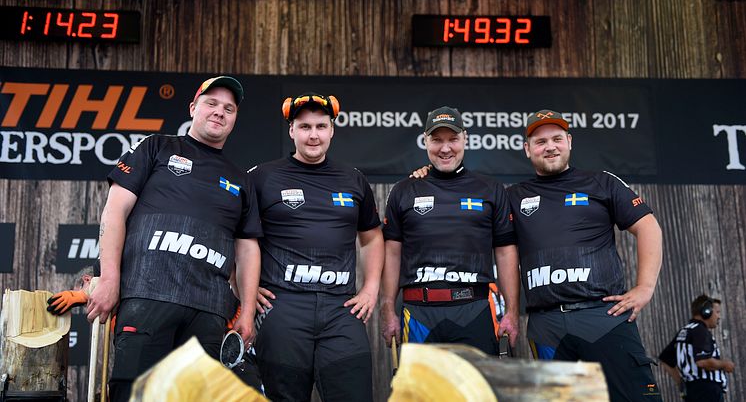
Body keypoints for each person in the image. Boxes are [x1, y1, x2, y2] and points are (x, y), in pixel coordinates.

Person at [85, 76, 262, 402]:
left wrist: (248, 310)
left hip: (208, 312)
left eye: (229, 108)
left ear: (235, 118)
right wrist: (108, 277)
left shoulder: (241, 180)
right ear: (193, 107)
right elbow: (114, 211)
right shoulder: (156, 146)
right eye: (211, 103)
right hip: (146, 297)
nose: (219, 112)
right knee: (134, 394)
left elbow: (248, 249)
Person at [506, 109, 664, 401]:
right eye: (540, 141)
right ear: (527, 149)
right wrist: (425, 174)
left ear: (569, 141)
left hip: (603, 315)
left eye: (556, 138)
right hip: (546, 324)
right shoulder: (513, 196)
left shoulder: (602, 182)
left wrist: (645, 288)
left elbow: (649, 228)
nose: (550, 146)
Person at [248, 92, 384, 402]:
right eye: (305, 126)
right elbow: (239, 237)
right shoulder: (261, 177)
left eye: (321, 126)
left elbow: (372, 237)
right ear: (291, 130)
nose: (313, 135)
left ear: (332, 130)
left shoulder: (353, 179)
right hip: (283, 306)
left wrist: (371, 289)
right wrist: (243, 287)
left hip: (341, 308)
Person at [379, 106, 520, 355]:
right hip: (419, 313)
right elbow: (391, 253)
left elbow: (506, 252)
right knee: (423, 394)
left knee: (474, 393)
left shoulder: (490, 188)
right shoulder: (404, 190)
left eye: (453, 139)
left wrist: (512, 310)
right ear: (425, 141)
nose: (445, 148)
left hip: (474, 309)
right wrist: (388, 307)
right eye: (437, 140)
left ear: (465, 138)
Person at [660, 295, 734, 401]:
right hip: (707, 392)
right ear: (706, 312)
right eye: (717, 312)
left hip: (692, 391)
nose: (719, 317)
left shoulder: (685, 331)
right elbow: (703, 362)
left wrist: (681, 383)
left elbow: (665, 360)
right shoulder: (700, 331)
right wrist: (725, 364)